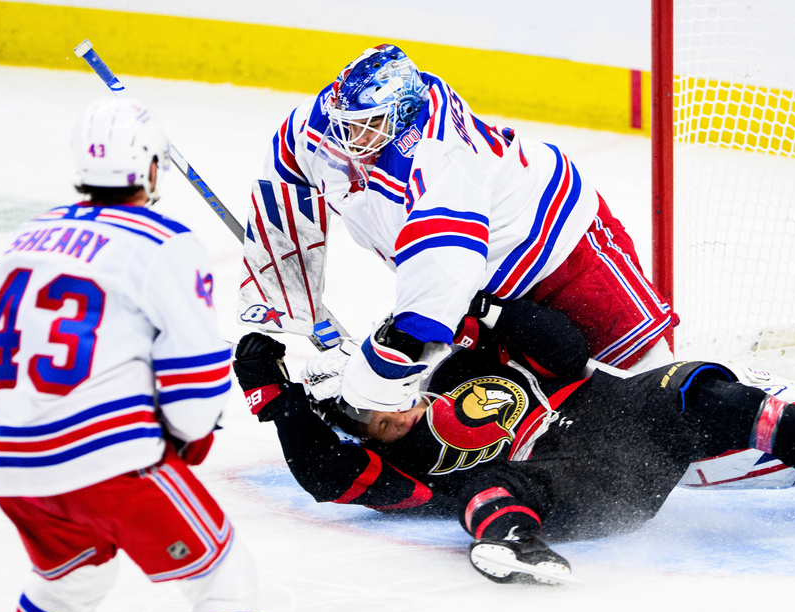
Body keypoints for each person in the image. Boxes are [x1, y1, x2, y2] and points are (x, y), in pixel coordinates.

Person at [232, 296, 795, 585]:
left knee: (713, 395)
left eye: (380, 401)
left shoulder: (453, 361)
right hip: (577, 483)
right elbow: (327, 476)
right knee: (489, 490)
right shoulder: (394, 469)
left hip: (617, 418)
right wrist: (275, 398)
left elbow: (567, 350)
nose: (382, 417)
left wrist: (477, 309)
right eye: (363, 419)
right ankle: (512, 543)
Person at [0, 98, 264, 612]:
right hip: (105, 462)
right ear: (151, 168)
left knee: (71, 580)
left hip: (9, 461)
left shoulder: (25, 241)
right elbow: (193, 392)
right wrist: (190, 436)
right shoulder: (165, 243)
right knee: (221, 573)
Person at [255, 43, 677, 413]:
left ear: (403, 113)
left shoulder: (438, 157)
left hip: (561, 253)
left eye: (368, 125)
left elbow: (442, 266)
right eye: (348, 122)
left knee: (658, 392)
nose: (349, 136)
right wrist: (281, 302)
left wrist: (388, 362)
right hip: (483, 294)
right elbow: (286, 173)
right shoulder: (332, 124)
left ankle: (736, 428)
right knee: (530, 407)